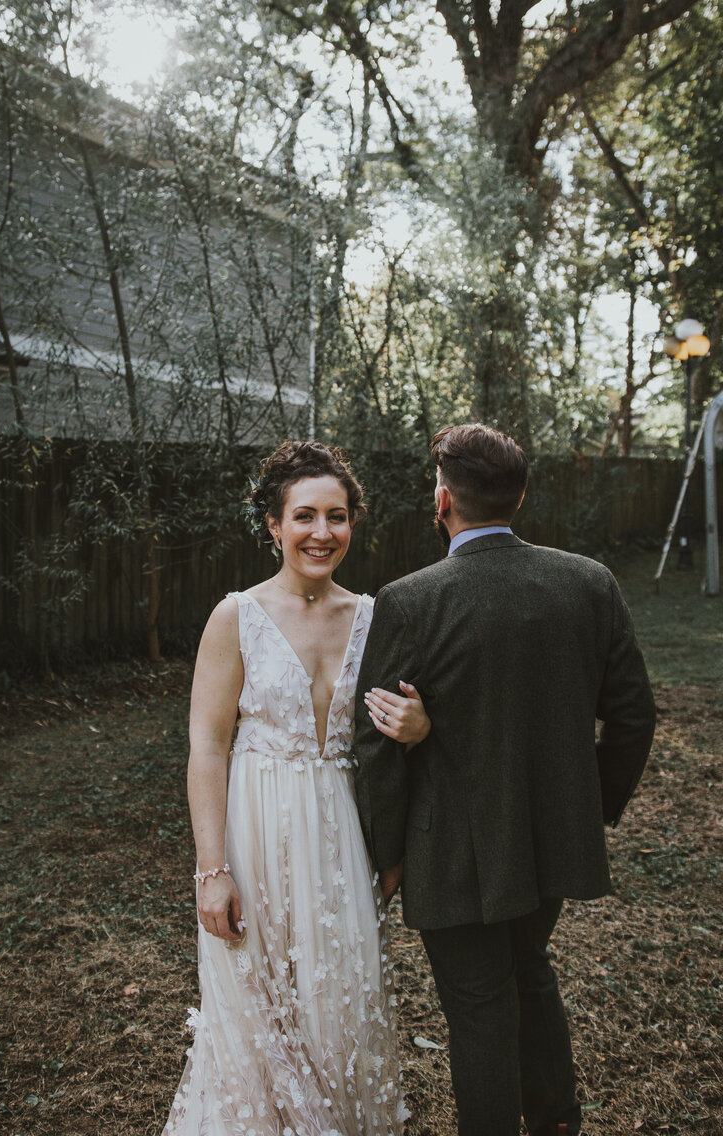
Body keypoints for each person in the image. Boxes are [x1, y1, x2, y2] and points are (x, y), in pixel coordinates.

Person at [353, 422, 656, 1136]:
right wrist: (590, 809)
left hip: (450, 851)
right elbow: (635, 716)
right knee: (528, 970)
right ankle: (556, 1123)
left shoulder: (409, 599)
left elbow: (375, 744)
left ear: (442, 501)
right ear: (519, 497)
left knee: (482, 1006)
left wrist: (388, 853)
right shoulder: (589, 581)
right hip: (555, 839)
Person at [161, 440, 431, 1136]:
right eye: (304, 516)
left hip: (342, 837)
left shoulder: (376, 617)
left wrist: (419, 724)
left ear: (353, 523)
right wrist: (211, 870)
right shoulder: (236, 617)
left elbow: (395, 734)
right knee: (255, 1012)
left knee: (337, 1008)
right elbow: (207, 747)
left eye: (336, 516)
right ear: (274, 526)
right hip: (254, 834)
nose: (321, 533)